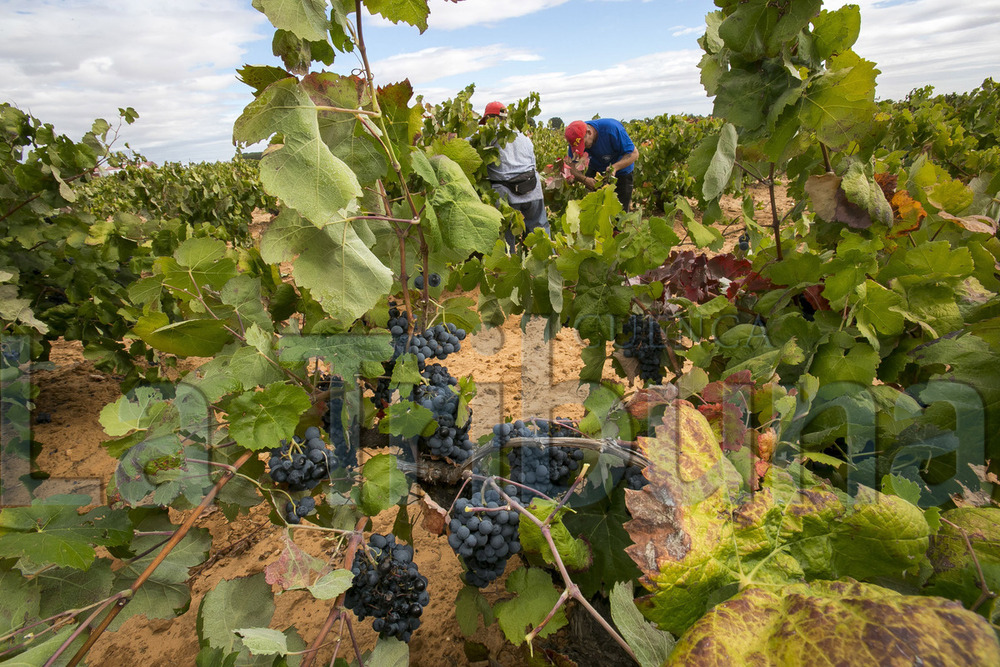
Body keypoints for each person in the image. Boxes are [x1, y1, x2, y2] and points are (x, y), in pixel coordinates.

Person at [479, 101, 549, 249]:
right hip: (533, 190)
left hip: (507, 196)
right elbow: (533, 164)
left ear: (488, 118)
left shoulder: (488, 134)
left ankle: (507, 270)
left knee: (505, 243)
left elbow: (468, 148)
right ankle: (548, 265)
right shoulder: (524, 136)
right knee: (541, 236)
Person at [564, 118, 639, 212]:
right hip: (596, 170)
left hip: (622, 171)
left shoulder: (612, 129)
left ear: (589, 132)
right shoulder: (575, 137)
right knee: (593, 210)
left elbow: (634, 154)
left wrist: (615, 167)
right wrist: (584, 179)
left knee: (619, 213)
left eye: (584, 144)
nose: (582, 148)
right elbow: (572, 167)